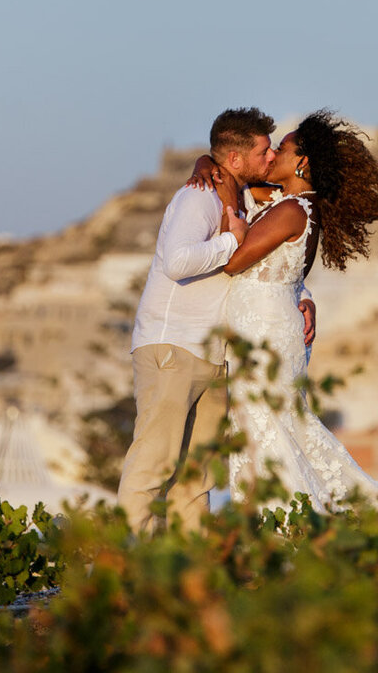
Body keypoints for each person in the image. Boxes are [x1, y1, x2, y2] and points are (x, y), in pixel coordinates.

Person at [117, 106, 315, 535]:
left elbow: (270, 261)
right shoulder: (198, 196)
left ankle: (190, 570)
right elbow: (177, 261)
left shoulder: (240, 197)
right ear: (237, 159)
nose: (270, 158)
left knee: (198, 475)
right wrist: (230, 241)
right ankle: (119, 567)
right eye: (264, 151)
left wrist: (304, 295)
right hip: (173, 345)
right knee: (155, 461)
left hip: (215, 354)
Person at [214, 109, 378, 512]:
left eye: (283, 147)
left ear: (302, 162)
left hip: (265, 334)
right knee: (273, 428)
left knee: (269, 431)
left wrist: (232, 220)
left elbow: (233, 261)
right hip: (265, 328)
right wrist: (204, 164)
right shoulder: (291, 203)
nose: (274, 152)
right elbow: (231, 173)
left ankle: (291, 526)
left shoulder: (292, 210)